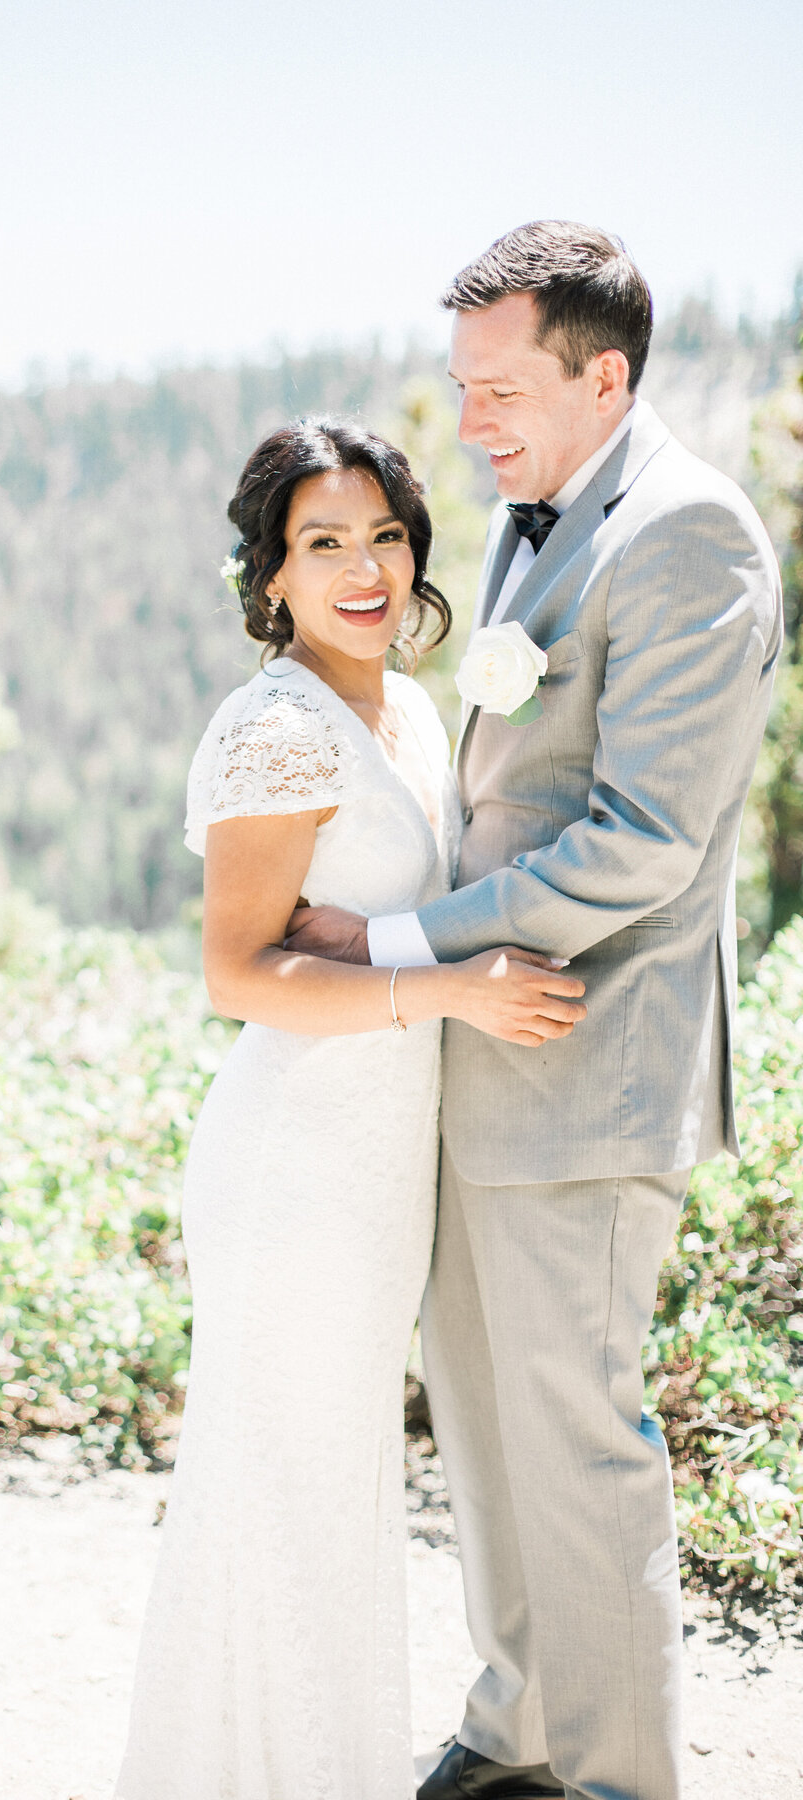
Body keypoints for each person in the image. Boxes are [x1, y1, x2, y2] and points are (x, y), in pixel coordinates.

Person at [286, 222, 783, 1800]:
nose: (472, 422)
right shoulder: (531, 518)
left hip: (587, 1065)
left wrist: (395, 939)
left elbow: (644, 838)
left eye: (499, 389)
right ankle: (516, 1737)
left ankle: (626, 1779)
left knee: (579, 1453)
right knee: (490, 1437)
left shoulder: (691, 535)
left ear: (605, 373)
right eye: (462, 389)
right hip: (473, 1066)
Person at [114, 417, 587, 1800]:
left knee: (338, 1492)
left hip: (384, 1165)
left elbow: (385, 916)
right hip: (297, 1165)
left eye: (384, 535)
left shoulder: (413, 707)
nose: (364, 566)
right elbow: (236, 973)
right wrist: (450, 989)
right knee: (286, 1492)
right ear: (270, 579)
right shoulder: (275, 729)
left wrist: (396, 953)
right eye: (324, 543)